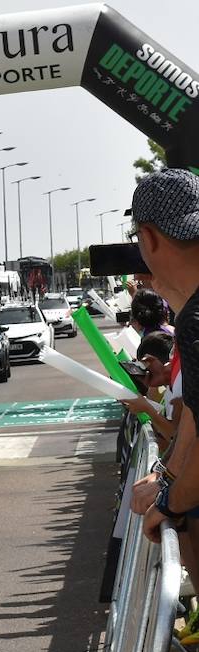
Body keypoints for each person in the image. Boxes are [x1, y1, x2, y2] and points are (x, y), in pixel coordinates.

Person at [128, 170, 199, 547]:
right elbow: (194, 415)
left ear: (150, 237)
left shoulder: (195, 319)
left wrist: (168, 505)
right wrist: (168, 478)